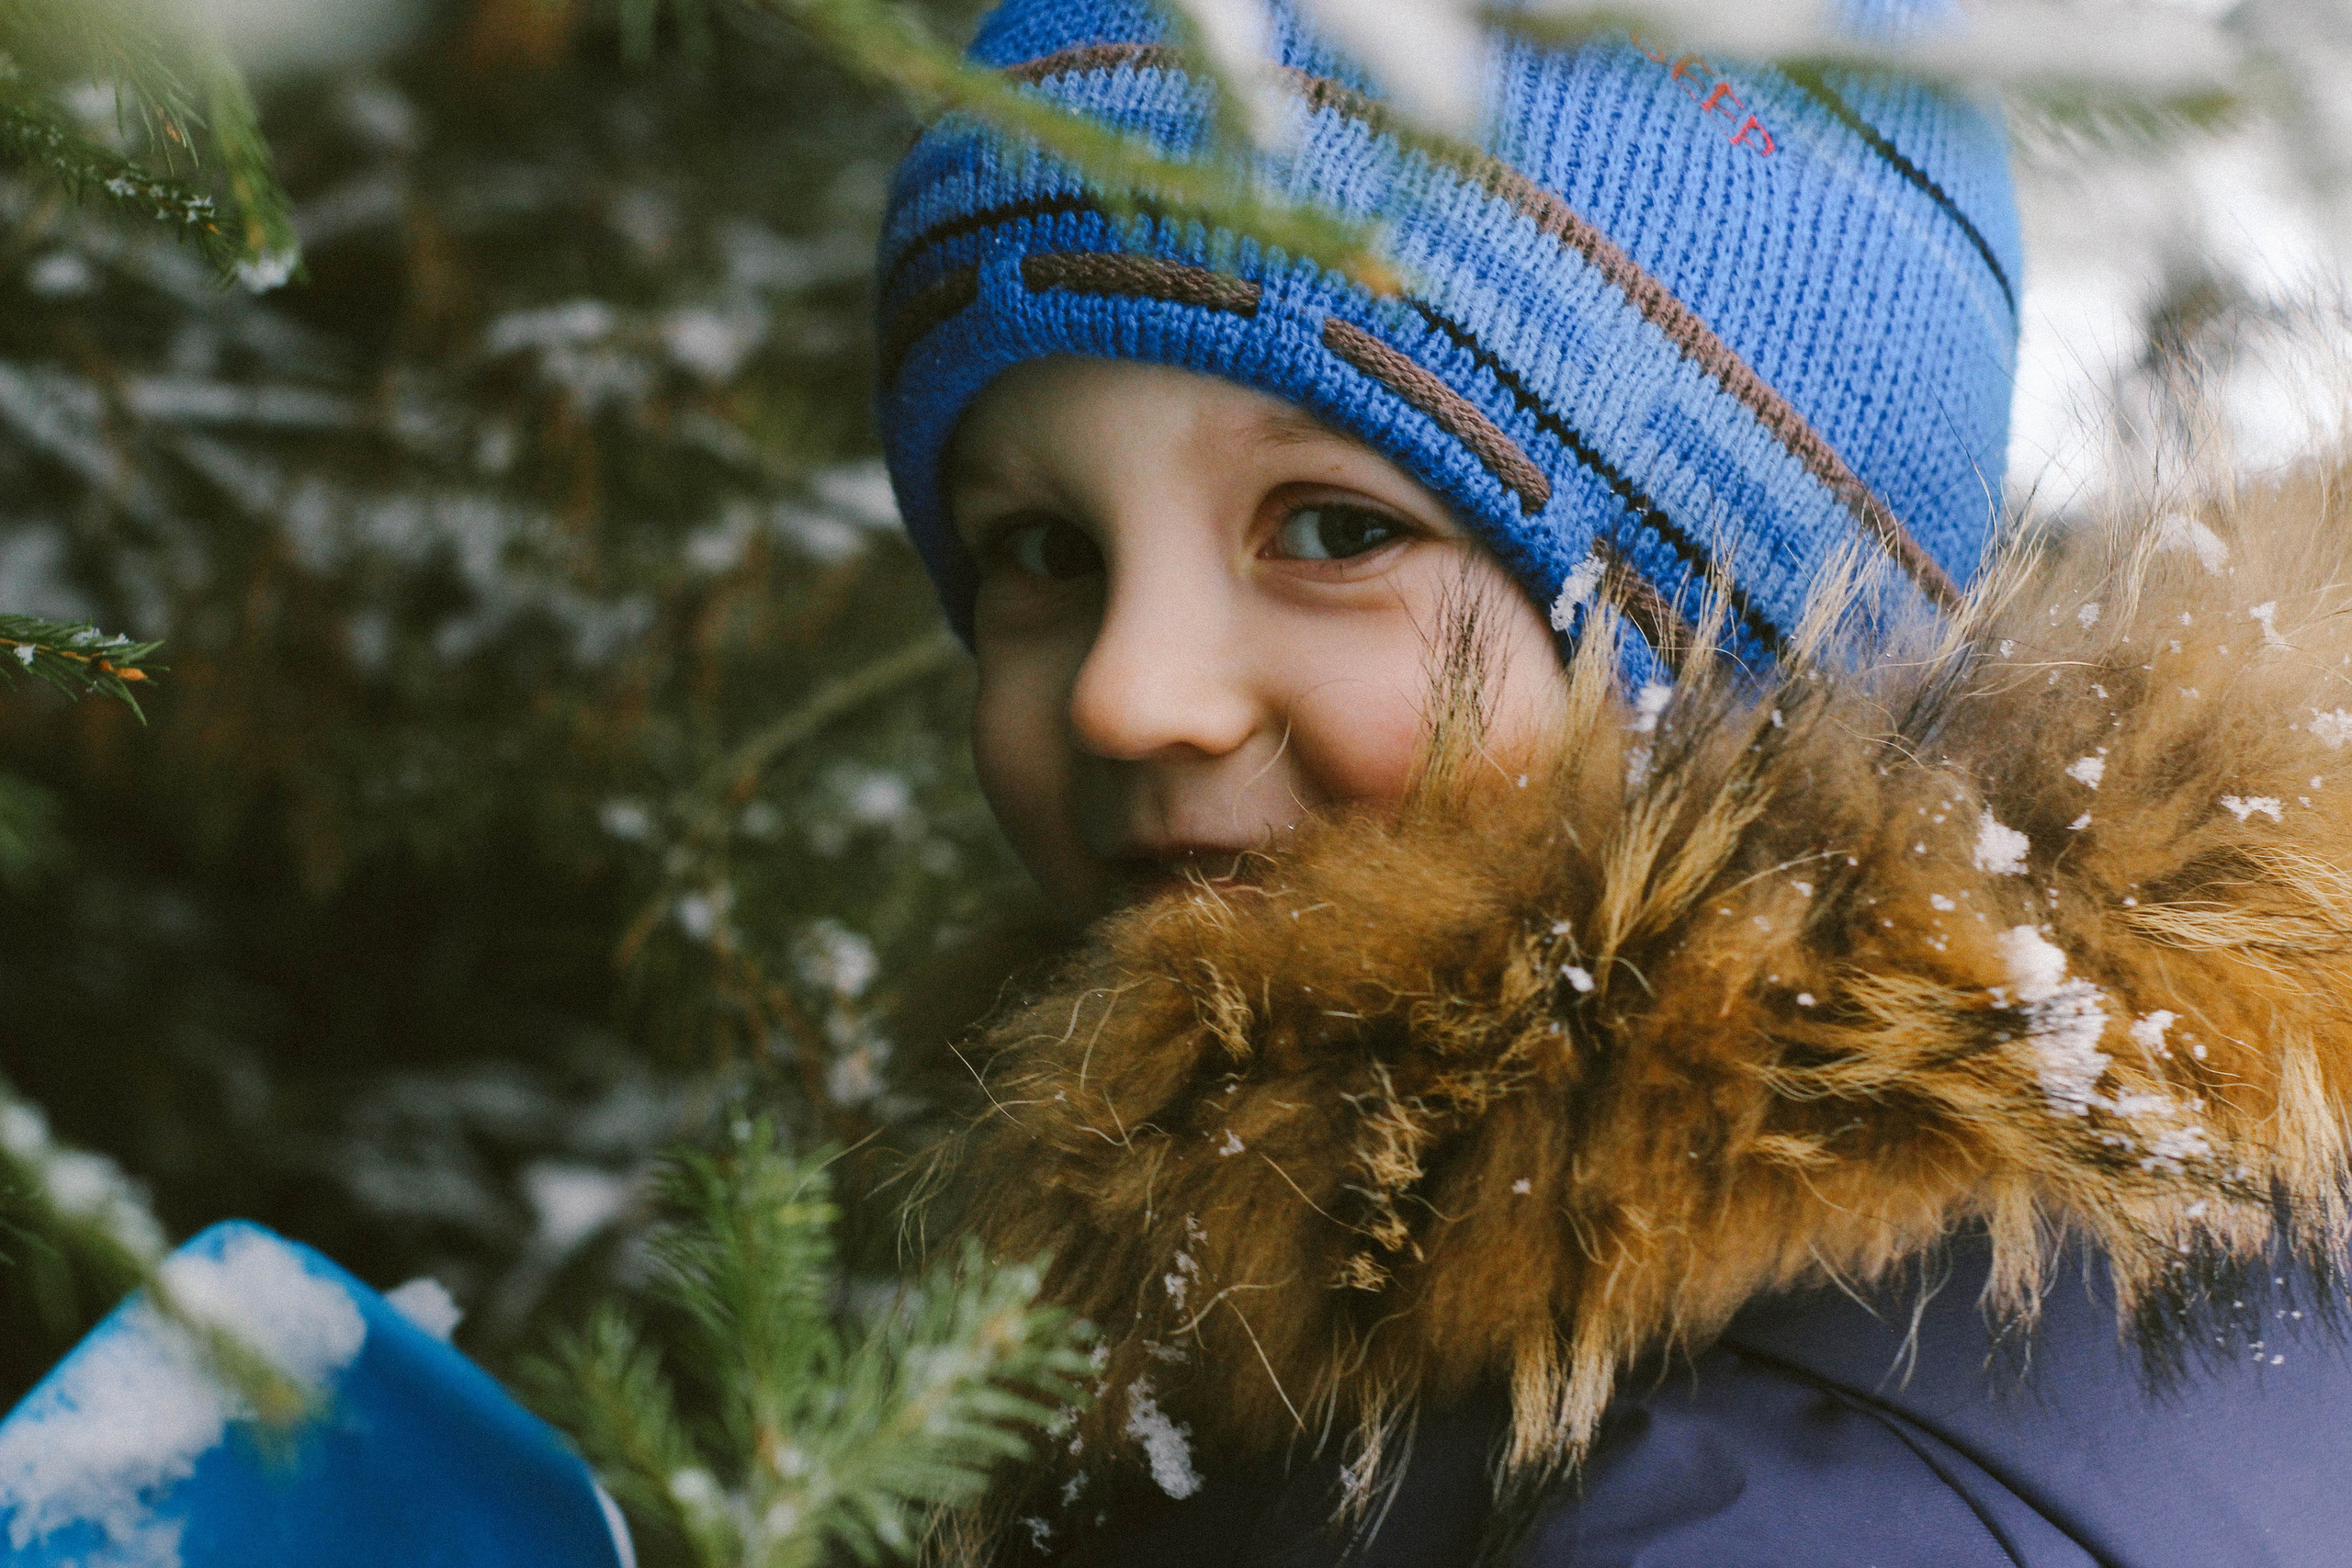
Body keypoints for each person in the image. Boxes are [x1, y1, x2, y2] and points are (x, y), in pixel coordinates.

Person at [876, 1, 2352, 1562]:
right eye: (1040, 552)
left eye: (1332, 529)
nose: (1123, 690)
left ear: (1750, 620)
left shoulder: (1775, 1488)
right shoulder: (1262, 1299)